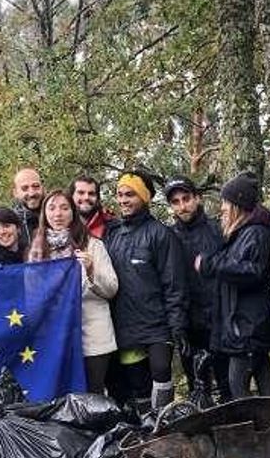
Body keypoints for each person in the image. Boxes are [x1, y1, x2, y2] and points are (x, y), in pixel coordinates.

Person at [103, 171, 188, 409]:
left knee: (161, 375)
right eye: (119, 195)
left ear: (144, 197)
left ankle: (165, 423)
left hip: (158, 326)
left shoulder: (161, 234)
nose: (123, 200)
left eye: (129, 194)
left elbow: (174, 285)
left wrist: (177, 326)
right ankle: (144, 431)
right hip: (125, 326)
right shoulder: (114, 235)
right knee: (137, 384)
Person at [196, 172, 270, 399]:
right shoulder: (243, 233)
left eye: (225, 202)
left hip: (248, 327)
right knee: (266, 387)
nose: (222, 207)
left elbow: (253, 271)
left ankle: (250, 431)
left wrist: (210, 265)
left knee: (238, 389)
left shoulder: (256, 233)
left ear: (237, 205)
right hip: (244, 326)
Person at [28, 190, 118, 394]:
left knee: (92, 398)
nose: (57, 214)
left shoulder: (93, 245)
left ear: (73, 212)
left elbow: (111, 288)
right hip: (56, 338)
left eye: (64, 208)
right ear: (44, 213)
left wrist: (90, 270)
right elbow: (32, 296)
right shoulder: (36, 250)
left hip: (92, 338)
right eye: (51, 208)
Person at [164, 175, 231, 404]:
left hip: (220, 320)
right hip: (188, 322)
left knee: (227, 383)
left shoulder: (218, 229)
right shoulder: (168, 236)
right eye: (176, 202)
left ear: (197, 198)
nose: (182, 206)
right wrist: (177, 325)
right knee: (197, 386)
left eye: (186, 198)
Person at [11, 168, 44, 247]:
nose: (31, 193)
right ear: (15, 193)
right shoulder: (11, 222)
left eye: (36, 186)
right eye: (25, 188)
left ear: (42, 188)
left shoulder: (56, 215)